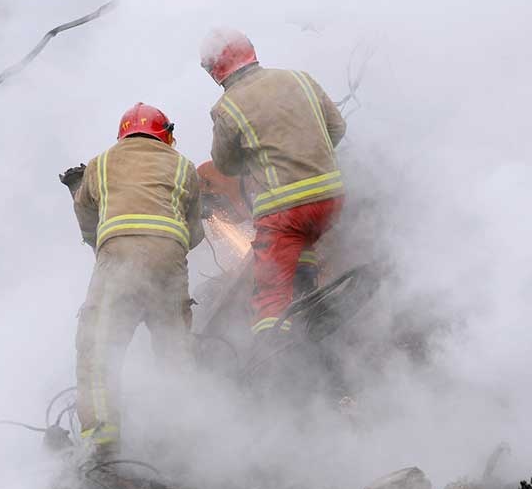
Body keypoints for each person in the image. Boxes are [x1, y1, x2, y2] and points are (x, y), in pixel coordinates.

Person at [71, 102, 204, 458]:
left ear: (122, 134)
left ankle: (103, 442)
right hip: (170, 263)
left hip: (119, 263)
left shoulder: (101, 163)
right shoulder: (184, 166)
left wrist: (99, 242)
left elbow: (85, 213)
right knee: (174, 349)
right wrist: (170, 247)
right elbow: (196, 232)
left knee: (98, 347)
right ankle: (187, 438)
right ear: (166, 135)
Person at [201, 28, 345, 337]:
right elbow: (336, 128)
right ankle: (317, 323)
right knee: (299, 259)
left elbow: (226, 165)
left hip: (284, 211)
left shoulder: (227, 107)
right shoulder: (300, 79)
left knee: (270, 294)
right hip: (330, 199)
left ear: (215, 71)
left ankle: (276, 365)